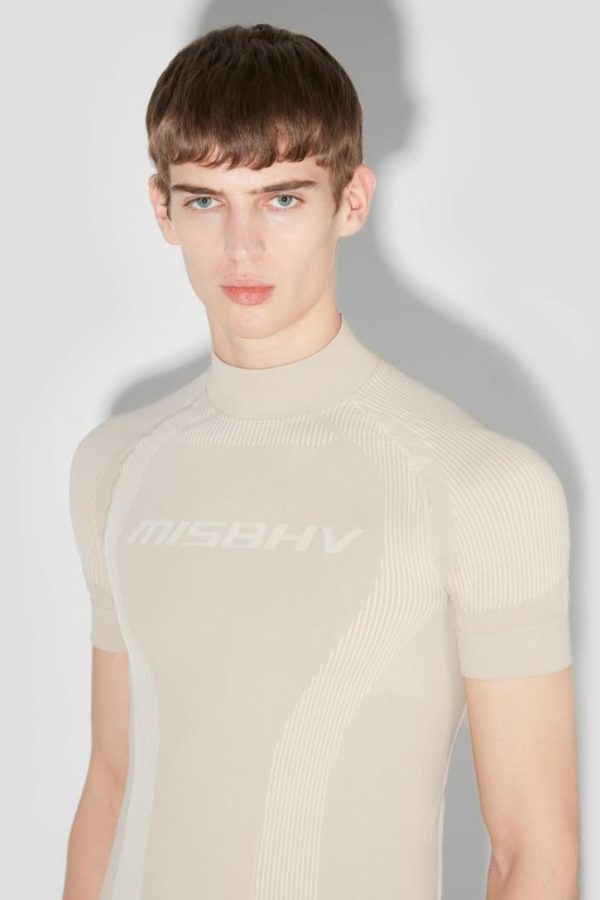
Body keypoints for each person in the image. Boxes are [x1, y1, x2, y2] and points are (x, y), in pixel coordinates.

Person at [62, 22, 580, 900]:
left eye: (282, 198)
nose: (242, 246)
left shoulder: (481, 484)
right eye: (206, 200)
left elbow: (533, 850)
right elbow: (111, 784)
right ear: (162, 209)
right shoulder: (115, 466)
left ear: (352, 200)